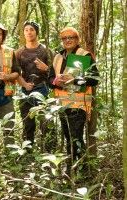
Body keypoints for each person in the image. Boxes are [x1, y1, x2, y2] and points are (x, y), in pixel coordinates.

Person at [48, 27, 99, 176]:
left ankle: (80, 169)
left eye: (71, 37)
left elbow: (94, 79)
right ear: (62, 41)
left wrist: (75, 80)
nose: (68, 40)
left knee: (76, 136)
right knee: (67, 136)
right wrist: (57, 82)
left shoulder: (85, 56)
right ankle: (71, 166)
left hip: (79, 105)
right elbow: (50, 78)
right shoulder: (58, 57)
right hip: (62, 105)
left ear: (77, 40)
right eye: (65, 38)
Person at [15, 21, 56, 152]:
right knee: (28, 122)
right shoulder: (19, 52)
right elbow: (15, 73)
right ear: (23, 33)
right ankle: (28, 152)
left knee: (46, 121)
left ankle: (49, 151)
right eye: (26, 30)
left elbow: (55, 73)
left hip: (43, 89)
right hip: (25, 90)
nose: (29, 32)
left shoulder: (46, 51)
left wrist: (46, 69)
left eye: (31, 29)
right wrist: (24, 84)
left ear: (36, 32)